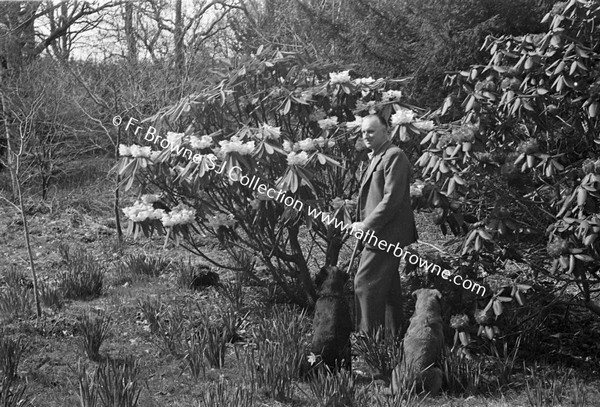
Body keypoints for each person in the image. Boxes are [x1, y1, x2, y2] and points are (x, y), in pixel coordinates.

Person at [350, 113, 418, 337]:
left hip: (385, 235)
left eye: (371, 131)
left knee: (364, 284)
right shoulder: (377, 156)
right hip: (379, 233)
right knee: (388, 289)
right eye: (363, 132)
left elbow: (392, 199)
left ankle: (369, 345)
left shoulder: (394, 155)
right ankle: (393, 341)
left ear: (385, 131)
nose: (366, 136)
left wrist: (367, 225)